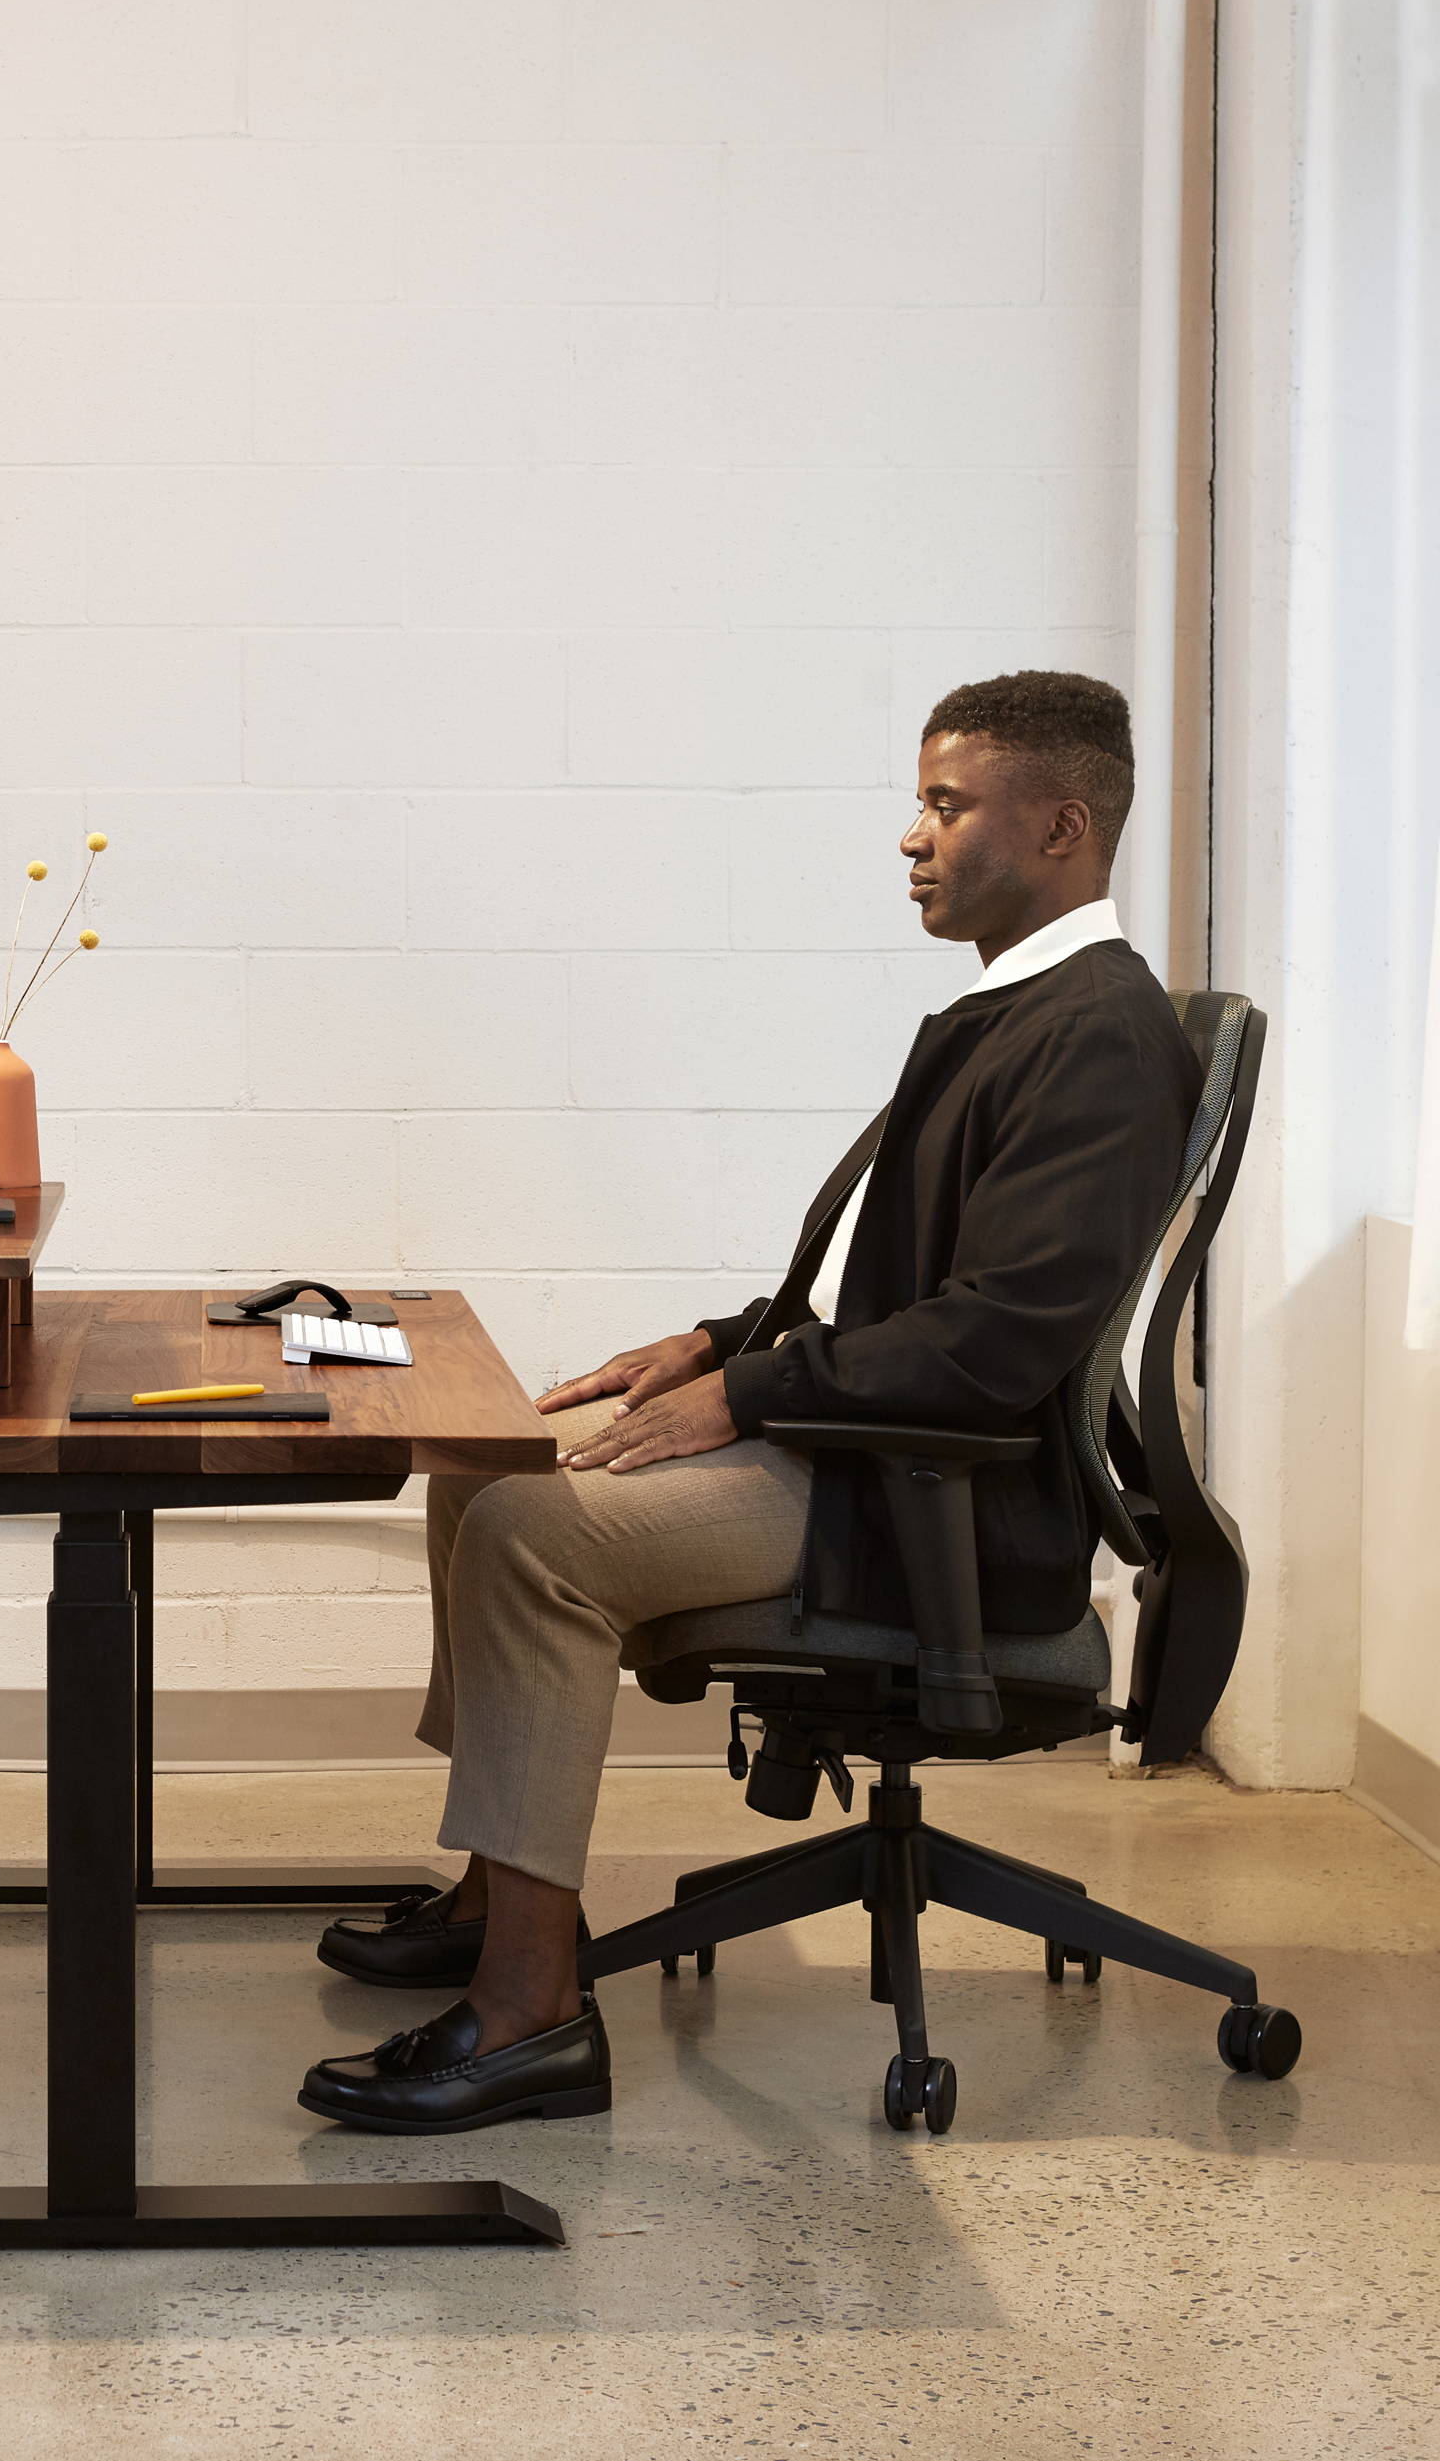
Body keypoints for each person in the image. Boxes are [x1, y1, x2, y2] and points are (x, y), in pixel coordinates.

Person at [298, 671, 1202, 2137]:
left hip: (939, 1504)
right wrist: (716, 1344)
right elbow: (902, 1287)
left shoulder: (1093, 1034)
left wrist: (753, 1393)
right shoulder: (1017, 1008)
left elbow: (990, 1346)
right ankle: (493, 1898)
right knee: (484, 1472)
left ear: (1061, 824)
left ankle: (530, 2016)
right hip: (871, 1449)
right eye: (920, 801)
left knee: (530, 1530)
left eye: (946, 805)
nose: (912, 837)